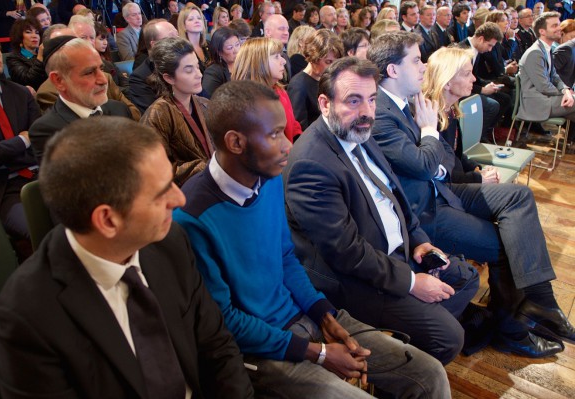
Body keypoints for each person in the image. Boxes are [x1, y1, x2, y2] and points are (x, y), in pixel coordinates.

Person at [173, 79, 452, 399]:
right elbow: (226, 322)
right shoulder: (191, 217)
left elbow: (286, 258)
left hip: (302, 315)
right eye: (275, 134)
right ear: (235, 142)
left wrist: (323, 314)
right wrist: (316, 352)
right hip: (260, 349)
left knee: (429, 374)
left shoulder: (269, 177)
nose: (288, 145)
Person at [0, 116, 254, 399]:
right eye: (162, 192)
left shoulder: (170, 243)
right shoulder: (27, 320)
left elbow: (217, 347)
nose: (179, 200)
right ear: (108, 220)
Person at [369, 31, 570, 358]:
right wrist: (430, 130)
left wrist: (436, 148)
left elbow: (436, 164)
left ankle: (539, 300)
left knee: (518, 200)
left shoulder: (403, 104)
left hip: (436, 194)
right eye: (416, 60)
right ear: (393, 70)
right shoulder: (386, 112)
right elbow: (424, 166)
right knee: (506, 243)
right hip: (422, 213)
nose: (423, 67)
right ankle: (512, 327)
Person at [284, 53, 479, 365]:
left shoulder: (361, 131)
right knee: (449, 337)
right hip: (354, 279)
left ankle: (411, 339)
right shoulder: (311, 163)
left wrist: (419, 240)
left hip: (397, 253)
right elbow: (347, 253)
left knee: (467, 278)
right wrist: (414, 283)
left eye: (372, 99)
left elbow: (396, 196)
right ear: (324, 104)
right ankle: (405, 368)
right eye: (353, 100)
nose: (367, 112)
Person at [0, 22, 40, 241]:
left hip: (41, 175)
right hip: (1, 189)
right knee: (46, 232)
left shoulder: (21, 93)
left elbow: (41, 140)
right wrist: (22, 141)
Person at [29, 36, 132, 162]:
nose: (103, 80)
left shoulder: (119, 109)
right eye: (89, 72)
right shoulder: (48, 130)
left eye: (101, 69)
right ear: (59, 80)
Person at [141, 37, 213, 186]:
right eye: (189, 70)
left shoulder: (205, 104)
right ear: (169, 78)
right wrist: (207, 167)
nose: (199, 74)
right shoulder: (158, 114)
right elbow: (154, 171)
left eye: (197, 67)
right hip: (184, 194)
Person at [423, 46, 500, 184]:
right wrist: (478, 178)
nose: (474, 78)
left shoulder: (449, 110)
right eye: (467, 74)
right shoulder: (430, 118)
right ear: (447, 82)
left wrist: (476, 168)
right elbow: (441, 173)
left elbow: (454, 154)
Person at [232, 37, 302, 142]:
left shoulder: (280, 91)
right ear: (259, 63)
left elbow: (294, 126)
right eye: (276, 57)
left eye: (281, 56)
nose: (283, 61)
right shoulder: (247, 103)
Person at [519, 12, 575, 125]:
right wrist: (566, 94)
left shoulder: (546, 49)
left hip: (547, 99)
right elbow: (544, 86)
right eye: (554, 26)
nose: (559, 28)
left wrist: (566, 90)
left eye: (558, 25)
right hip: (537, 103)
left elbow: (555, 76)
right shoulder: (534, 52)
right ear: (542, 31)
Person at [287, 29, 343, 130]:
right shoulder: (298, 85)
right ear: (314, 58)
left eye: (335, 62)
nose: (333, 67)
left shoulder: (328, 78)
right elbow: (299, 129)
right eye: (328, 62)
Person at [6, 17, 47, 90]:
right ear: (20, 36)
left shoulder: (44, 53)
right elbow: (28, 81)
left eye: (37, 32)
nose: (34, 36)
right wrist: (40, 57)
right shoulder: (13, 58)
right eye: (28, 32)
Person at [202, 27, 240, 98]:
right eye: (230, 48)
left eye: (237, 45)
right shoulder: (213, 72)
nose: (236, 51)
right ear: (219, 52)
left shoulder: (244, 64)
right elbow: (206, 100)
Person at [178, 5, 211, 73]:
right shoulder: (181, 50)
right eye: (191, 19)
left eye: (199, 18)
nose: (197, 21)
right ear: (183, 25)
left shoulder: (209, 44)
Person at [552, 19, 575, 88]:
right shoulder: (559, 49)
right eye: (572, 37)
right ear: (562, 33)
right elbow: (552, 74)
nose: (573, 40)